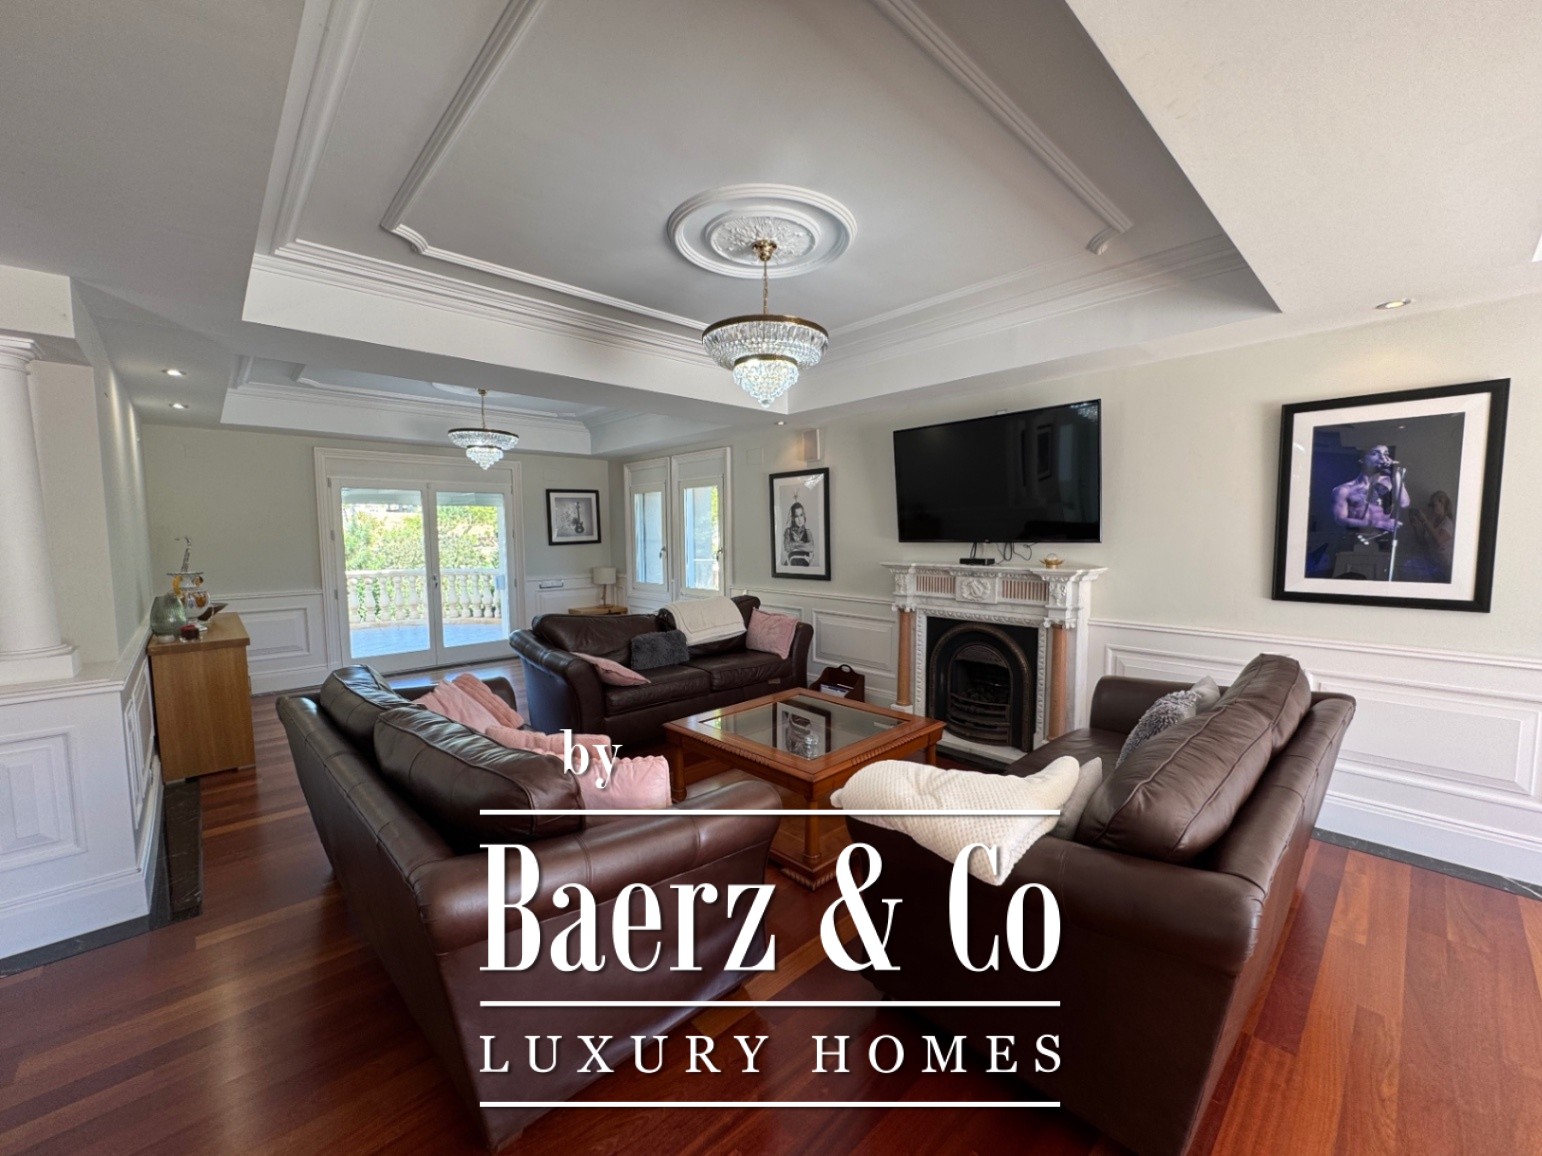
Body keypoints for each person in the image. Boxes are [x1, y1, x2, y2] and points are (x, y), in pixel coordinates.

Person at [1331, 445, 1409, 543]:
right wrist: (1379, 523)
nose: (1383, 458)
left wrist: (1395, 474)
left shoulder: (1390, 482)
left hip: (1383, 540)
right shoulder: (1344, 490)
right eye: (1374, 453)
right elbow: (1341, 519)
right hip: (1355, 540)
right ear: (1361, 459)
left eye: (1385, 454)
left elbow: (1404, 503)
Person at [782, 501, 814, 567]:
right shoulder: (788, 531)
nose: (799, 519)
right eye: (796, 516)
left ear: (804, 516)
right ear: (793, 518)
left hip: (805, 567)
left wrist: (794, 544)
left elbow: (811, 547)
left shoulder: (808, 532)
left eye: (801, 515)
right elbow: (787, 547)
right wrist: (803, 544)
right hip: (790, 566)